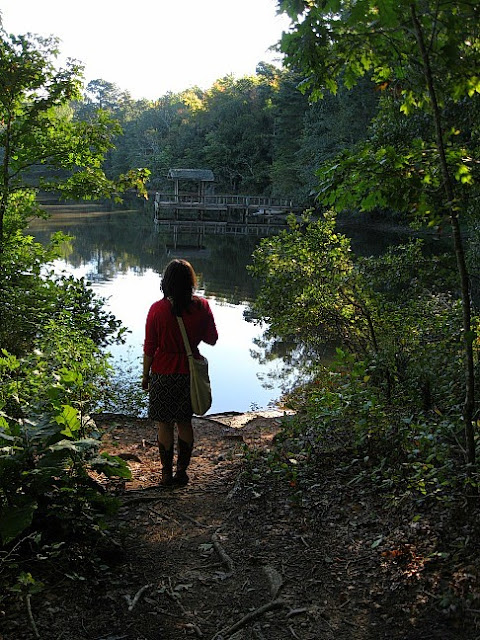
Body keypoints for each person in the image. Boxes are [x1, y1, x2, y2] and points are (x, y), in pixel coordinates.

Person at [142, 259, 218, 487]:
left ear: (166, 283)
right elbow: (212, 339)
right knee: (185, 422)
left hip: (162, 373)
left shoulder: (157, 309)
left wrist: (145, 376)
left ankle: (166, 474)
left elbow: (149, 348)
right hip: (188, 374)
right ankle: (181, 473)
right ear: (190, 282)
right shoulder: (202, 307)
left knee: (164, 424)